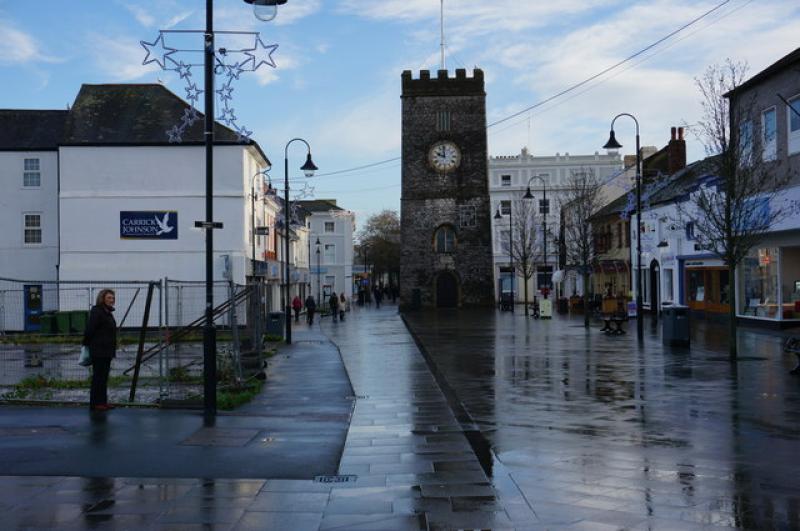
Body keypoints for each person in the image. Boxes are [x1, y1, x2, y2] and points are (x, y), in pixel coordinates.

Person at [82, 289, 117, 412]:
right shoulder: (97, 312)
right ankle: (95, 403)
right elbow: (89, 330)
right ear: (102, 299)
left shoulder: (108, 312)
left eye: (113, 298)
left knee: (104, 377)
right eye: (109, 298)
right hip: (99, 350)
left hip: (107, 350)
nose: (112, 300)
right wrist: (87, 344)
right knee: (98, 377)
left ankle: (102, 402)